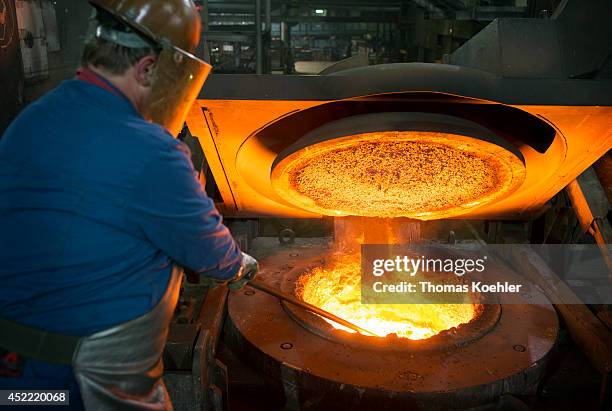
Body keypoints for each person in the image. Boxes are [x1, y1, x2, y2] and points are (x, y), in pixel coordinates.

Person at [0, 0, 258, 409]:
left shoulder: (31, 120)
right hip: (86, 380)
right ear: (148, 69)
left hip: (18, 383)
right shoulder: (150, 151)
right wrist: (240, 264)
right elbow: (211, 253)